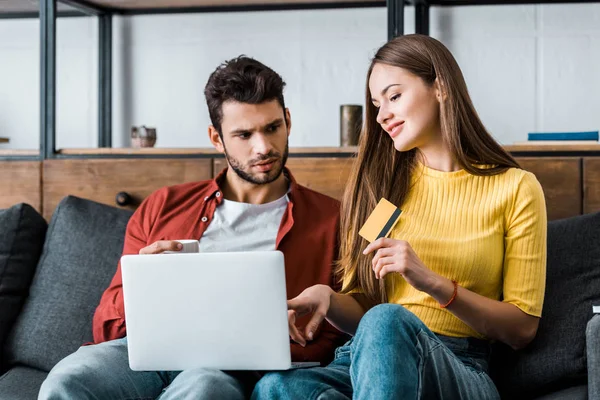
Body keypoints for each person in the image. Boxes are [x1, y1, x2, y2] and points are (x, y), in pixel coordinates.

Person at [252, 34, 547, 400]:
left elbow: (522, 329)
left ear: (440, 87)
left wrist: (430, 282)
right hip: (365, 361)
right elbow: (366, 309)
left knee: (388, 320)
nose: (381, 116)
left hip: (459, 366)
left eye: (394, 96)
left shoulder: (515, 188)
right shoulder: (388, 192)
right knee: (276, 388)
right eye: (377, 104)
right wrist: (328, 299)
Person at [38, 56, 347, 400]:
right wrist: (147, 283)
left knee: (203, 388)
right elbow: (106, 326)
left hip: (230, 367)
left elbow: (340, 334)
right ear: (217, 139)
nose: (263, 147)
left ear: (287, 121)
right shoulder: (163, 205)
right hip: (145, 356)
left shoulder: (331, 219)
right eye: (244, 134)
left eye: (272, 128)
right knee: (67, 379)